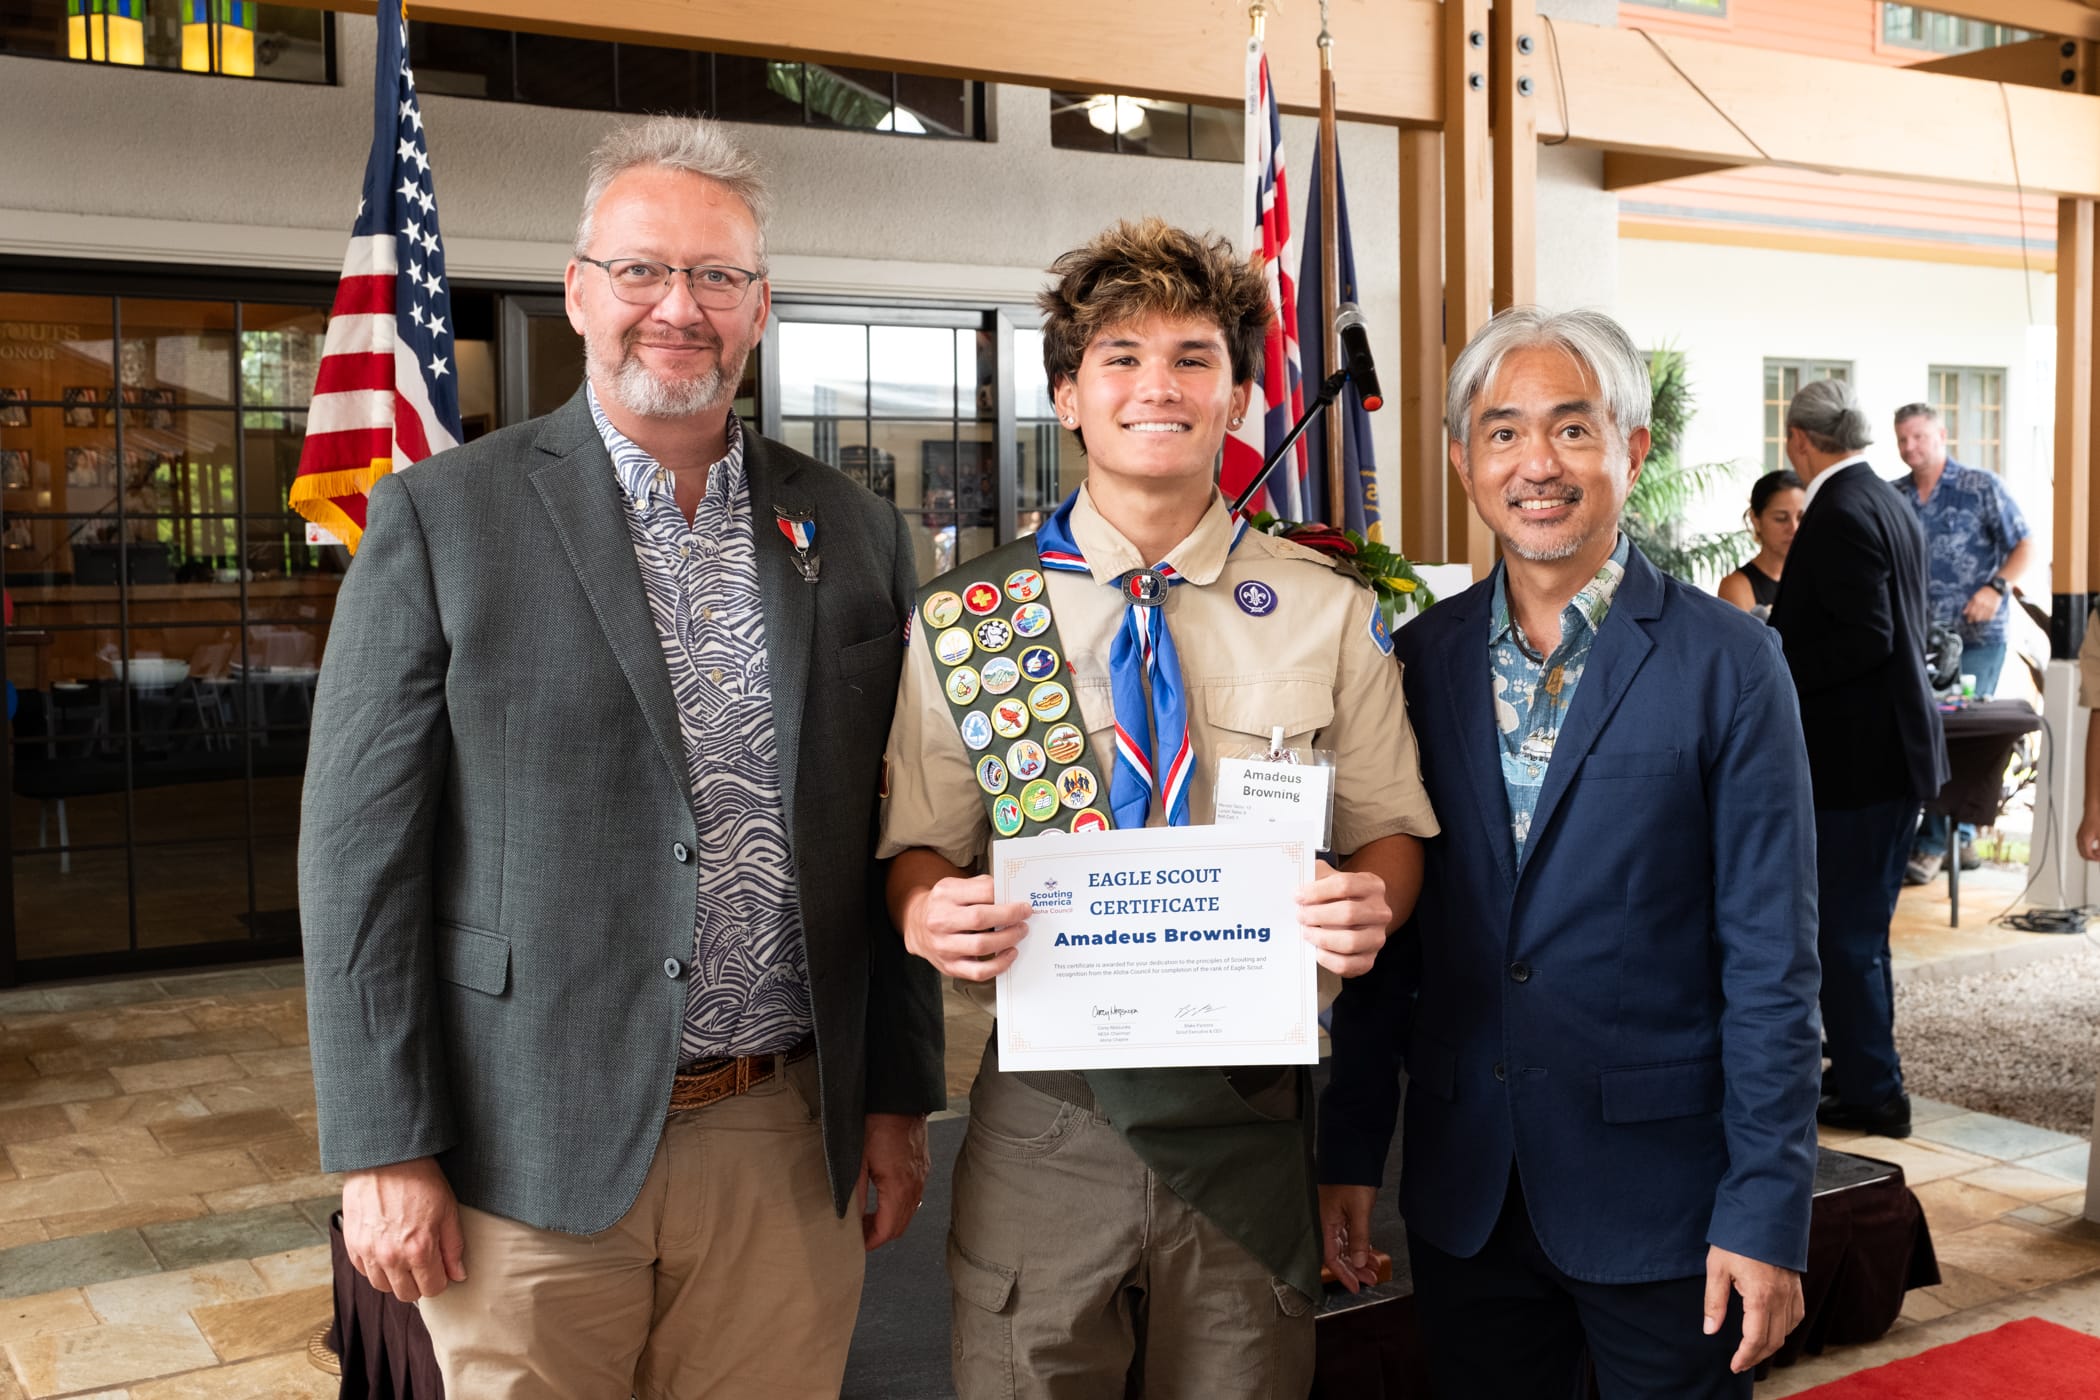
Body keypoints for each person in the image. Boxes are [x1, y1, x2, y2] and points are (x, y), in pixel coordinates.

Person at [300, 116, 945, 1397]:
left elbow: (895, 830)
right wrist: (384, 1144)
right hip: (528, 1144)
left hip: (783, 1135)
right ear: (580, 290)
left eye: (717, 276)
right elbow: (356, 859)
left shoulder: (857, 530)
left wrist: (896, 1096)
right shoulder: (443, 516)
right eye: (643, 269)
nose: (679, 308)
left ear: (759, 306)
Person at [879, 218, 1437, 1399]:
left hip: (1248, 1108)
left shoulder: (1325, 606)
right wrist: (926, 910)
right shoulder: (975, 617)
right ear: (1068, 397)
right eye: (1121, 356)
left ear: (1238, 397)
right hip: (1045, 1119)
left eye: (1194, 357)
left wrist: (1373, 902)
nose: (1159, 385)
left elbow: (1390, 825)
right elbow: (921, 842)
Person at [1320, 307, 1820, 1400]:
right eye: (1503, 432)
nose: (1536, 463)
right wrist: (1349, 1148)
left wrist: (1767, 1207)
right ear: (1465, 460)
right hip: (1468, 1190)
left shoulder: (1732, 664)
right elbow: (1386, 938)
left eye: (1572, 428)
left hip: (1666, 1199)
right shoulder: (1414, 662)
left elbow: (1773, 965)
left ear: (1630, 449)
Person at [1769, 377, 1946, 1141]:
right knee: (1857, 933)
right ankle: (1865, 1068)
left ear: (1798, 440)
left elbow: (1867, 636)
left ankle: (1876, 1091)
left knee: (1844, 935)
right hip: (1887, 750)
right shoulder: (1887, 497)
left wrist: (1775, 665)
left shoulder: (1840, 510)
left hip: (1859, 759)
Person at [1893, 402, 2032, 882]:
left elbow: (2025, 544)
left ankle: (1931, 846)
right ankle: (1963, 839)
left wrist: (1996, 588)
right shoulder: (1894, 495)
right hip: (1913, 640)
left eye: (1918, 436)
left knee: (1959, 736)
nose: (1910, 447)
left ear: (1942, 434)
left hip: (1976, 638)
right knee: (1923, 733)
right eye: (1902, 439)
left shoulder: (1981, 486)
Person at [1717, 469, 1805, 620]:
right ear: (1756, 521)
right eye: (1781, 518)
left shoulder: (1818, 576)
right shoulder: (1737, 587)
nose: (1794, 528)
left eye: (1801, 517)